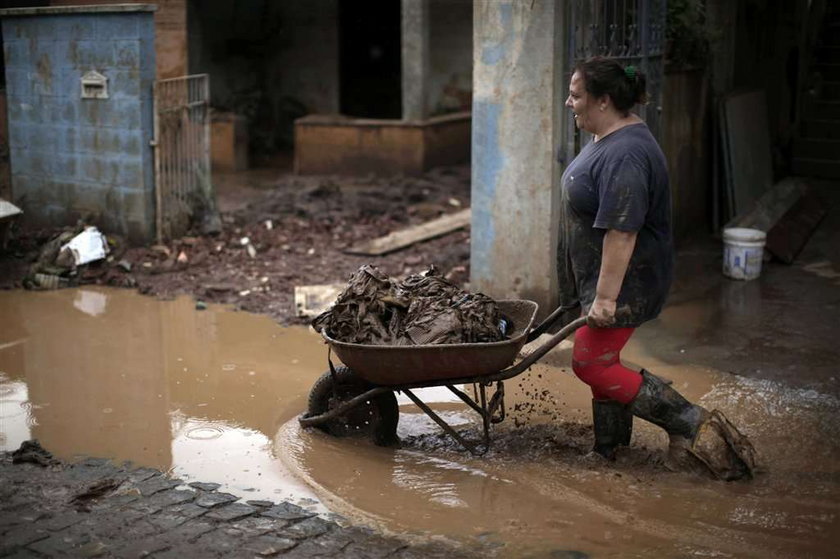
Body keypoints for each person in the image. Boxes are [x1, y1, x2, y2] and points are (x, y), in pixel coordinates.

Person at [558, 57, 755, 480]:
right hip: (605, 282)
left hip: (626, 283)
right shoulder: (608, 139)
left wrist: (606, 298)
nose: (568, 103)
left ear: (604, 100)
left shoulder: (627, 153)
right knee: (603, 360)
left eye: (575, 95)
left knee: (590, 363)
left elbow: (622, 231)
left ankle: (693, 424)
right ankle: (609, 453)